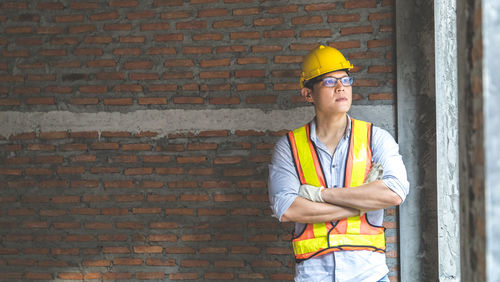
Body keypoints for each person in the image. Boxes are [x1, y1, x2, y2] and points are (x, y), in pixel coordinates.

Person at [268, 45, 409, 281]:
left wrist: (320, 195)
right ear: (308, 94)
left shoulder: (375, 138)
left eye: (346, 79)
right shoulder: (289, 147)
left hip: (369, 274)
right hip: (314, 275)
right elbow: (287, 208)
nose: (341, 87)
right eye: (329, 82)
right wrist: (359, 204)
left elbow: (395, 193)